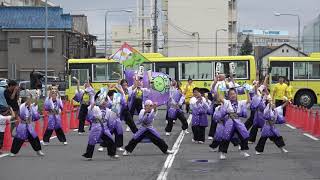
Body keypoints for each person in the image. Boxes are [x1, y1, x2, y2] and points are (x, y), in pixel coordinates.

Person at [214, 88, 251, 160]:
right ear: (228, 96)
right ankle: (222, 153)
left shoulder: (240, 102)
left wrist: (247, 92)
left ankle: (243, 151)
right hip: (229, 122)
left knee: (244, 135)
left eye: (234, 94)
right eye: (231, 94)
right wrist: (219, 89)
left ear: (236, 94)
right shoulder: (227, 102)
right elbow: (220, 99)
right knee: (226, 137)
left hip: (238, 122)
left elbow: (249, 101)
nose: (232, 95)